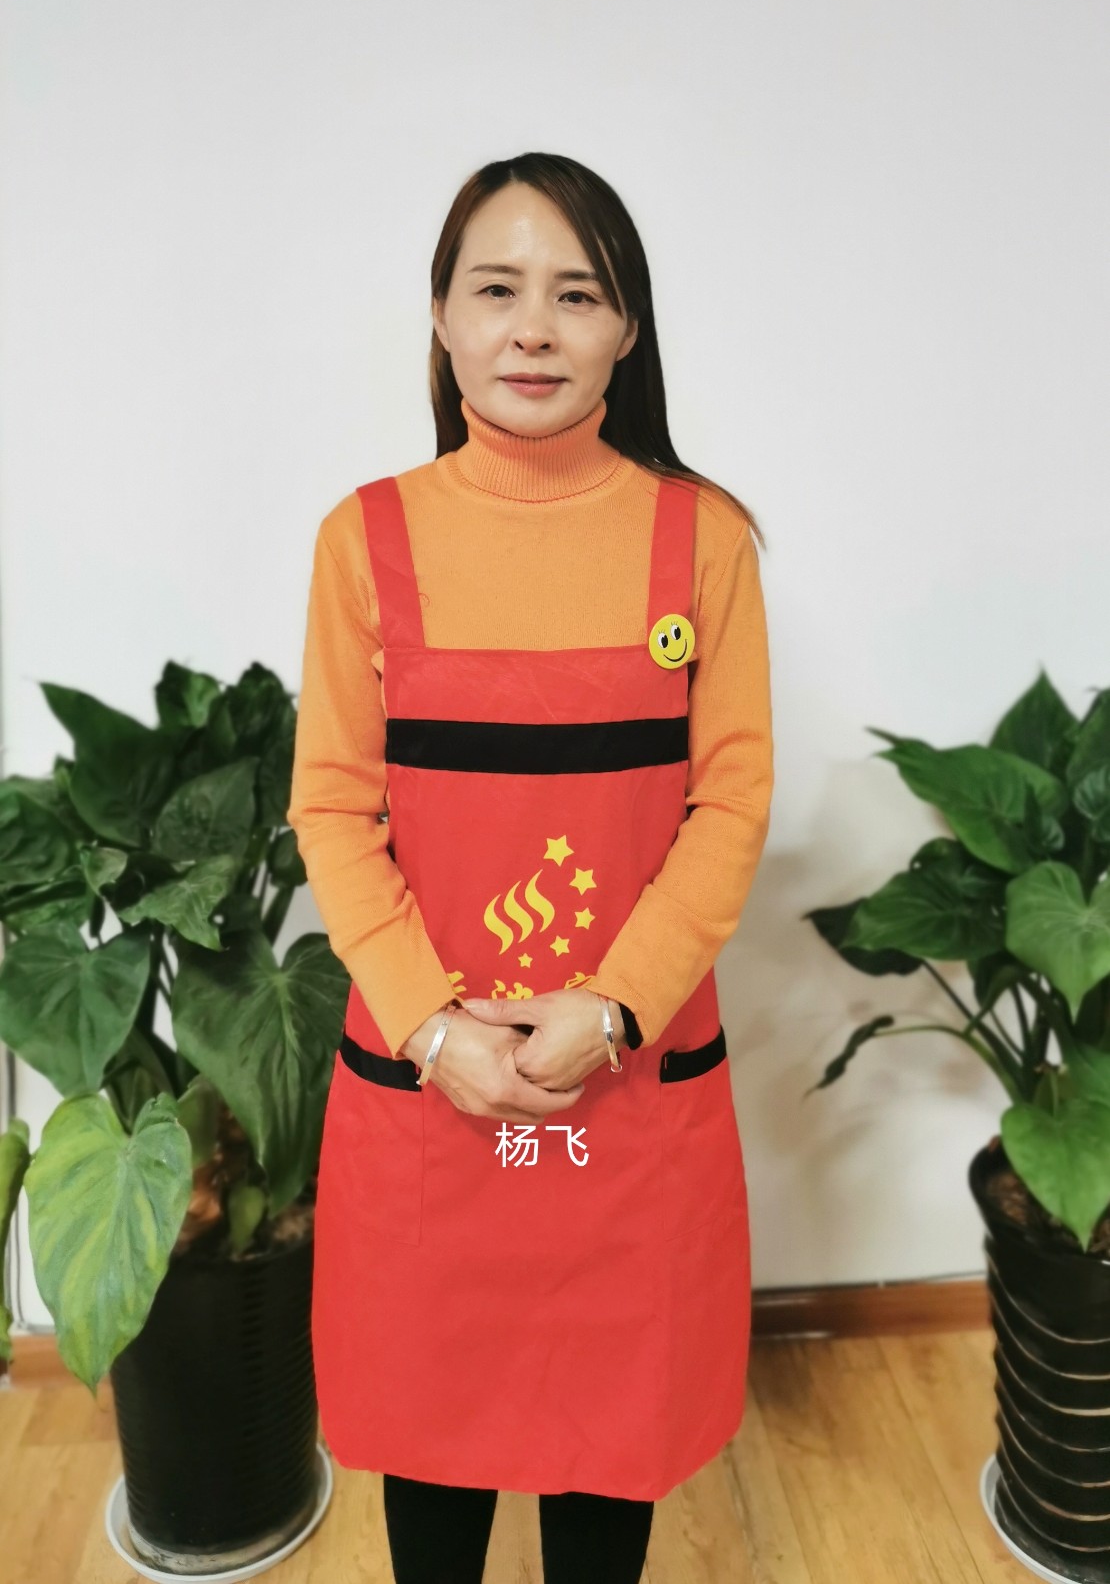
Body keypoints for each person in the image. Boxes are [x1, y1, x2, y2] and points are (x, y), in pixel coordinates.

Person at [287, 150, 774, 1584]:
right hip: (426, 1090)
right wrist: (436, 1030)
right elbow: (332, 808)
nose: (533, 330)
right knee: (431, 1451)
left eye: (577, 294)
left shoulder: (702, 539)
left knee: (608, 1446)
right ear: (441, 318)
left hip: (624, 1080)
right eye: (496, 290)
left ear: (628, 326)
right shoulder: (366, 541)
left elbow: (730, 802)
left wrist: (610, 1008)